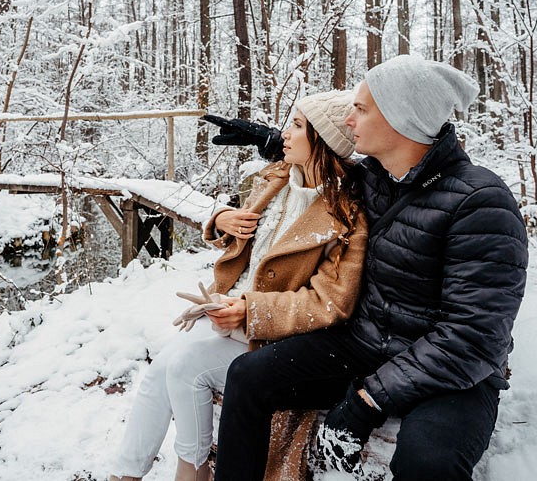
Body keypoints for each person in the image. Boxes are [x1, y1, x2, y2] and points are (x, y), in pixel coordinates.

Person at [207, 54, 529, 480]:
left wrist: (365, 403)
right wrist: (274, 139)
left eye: (360, 108)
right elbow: (325, 161)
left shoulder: (482, 203)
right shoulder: (377, 177)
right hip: (366, 345)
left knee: (426, 462)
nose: (348, 118)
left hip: (451, 374)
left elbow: (472, 337)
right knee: (248, 377)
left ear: (400, 119)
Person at [109, 90, 368, 481]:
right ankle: (125, 476)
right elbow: (238, 237)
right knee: (160, 371)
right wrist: (221, 219)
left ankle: (191, 474)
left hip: (270, 335)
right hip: (222, 312)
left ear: (323, 142)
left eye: (296, 125)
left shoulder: (347, 216)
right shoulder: (275, 180)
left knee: (182, 368)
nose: (283, 133)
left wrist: (251, 309)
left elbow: (330, 302)